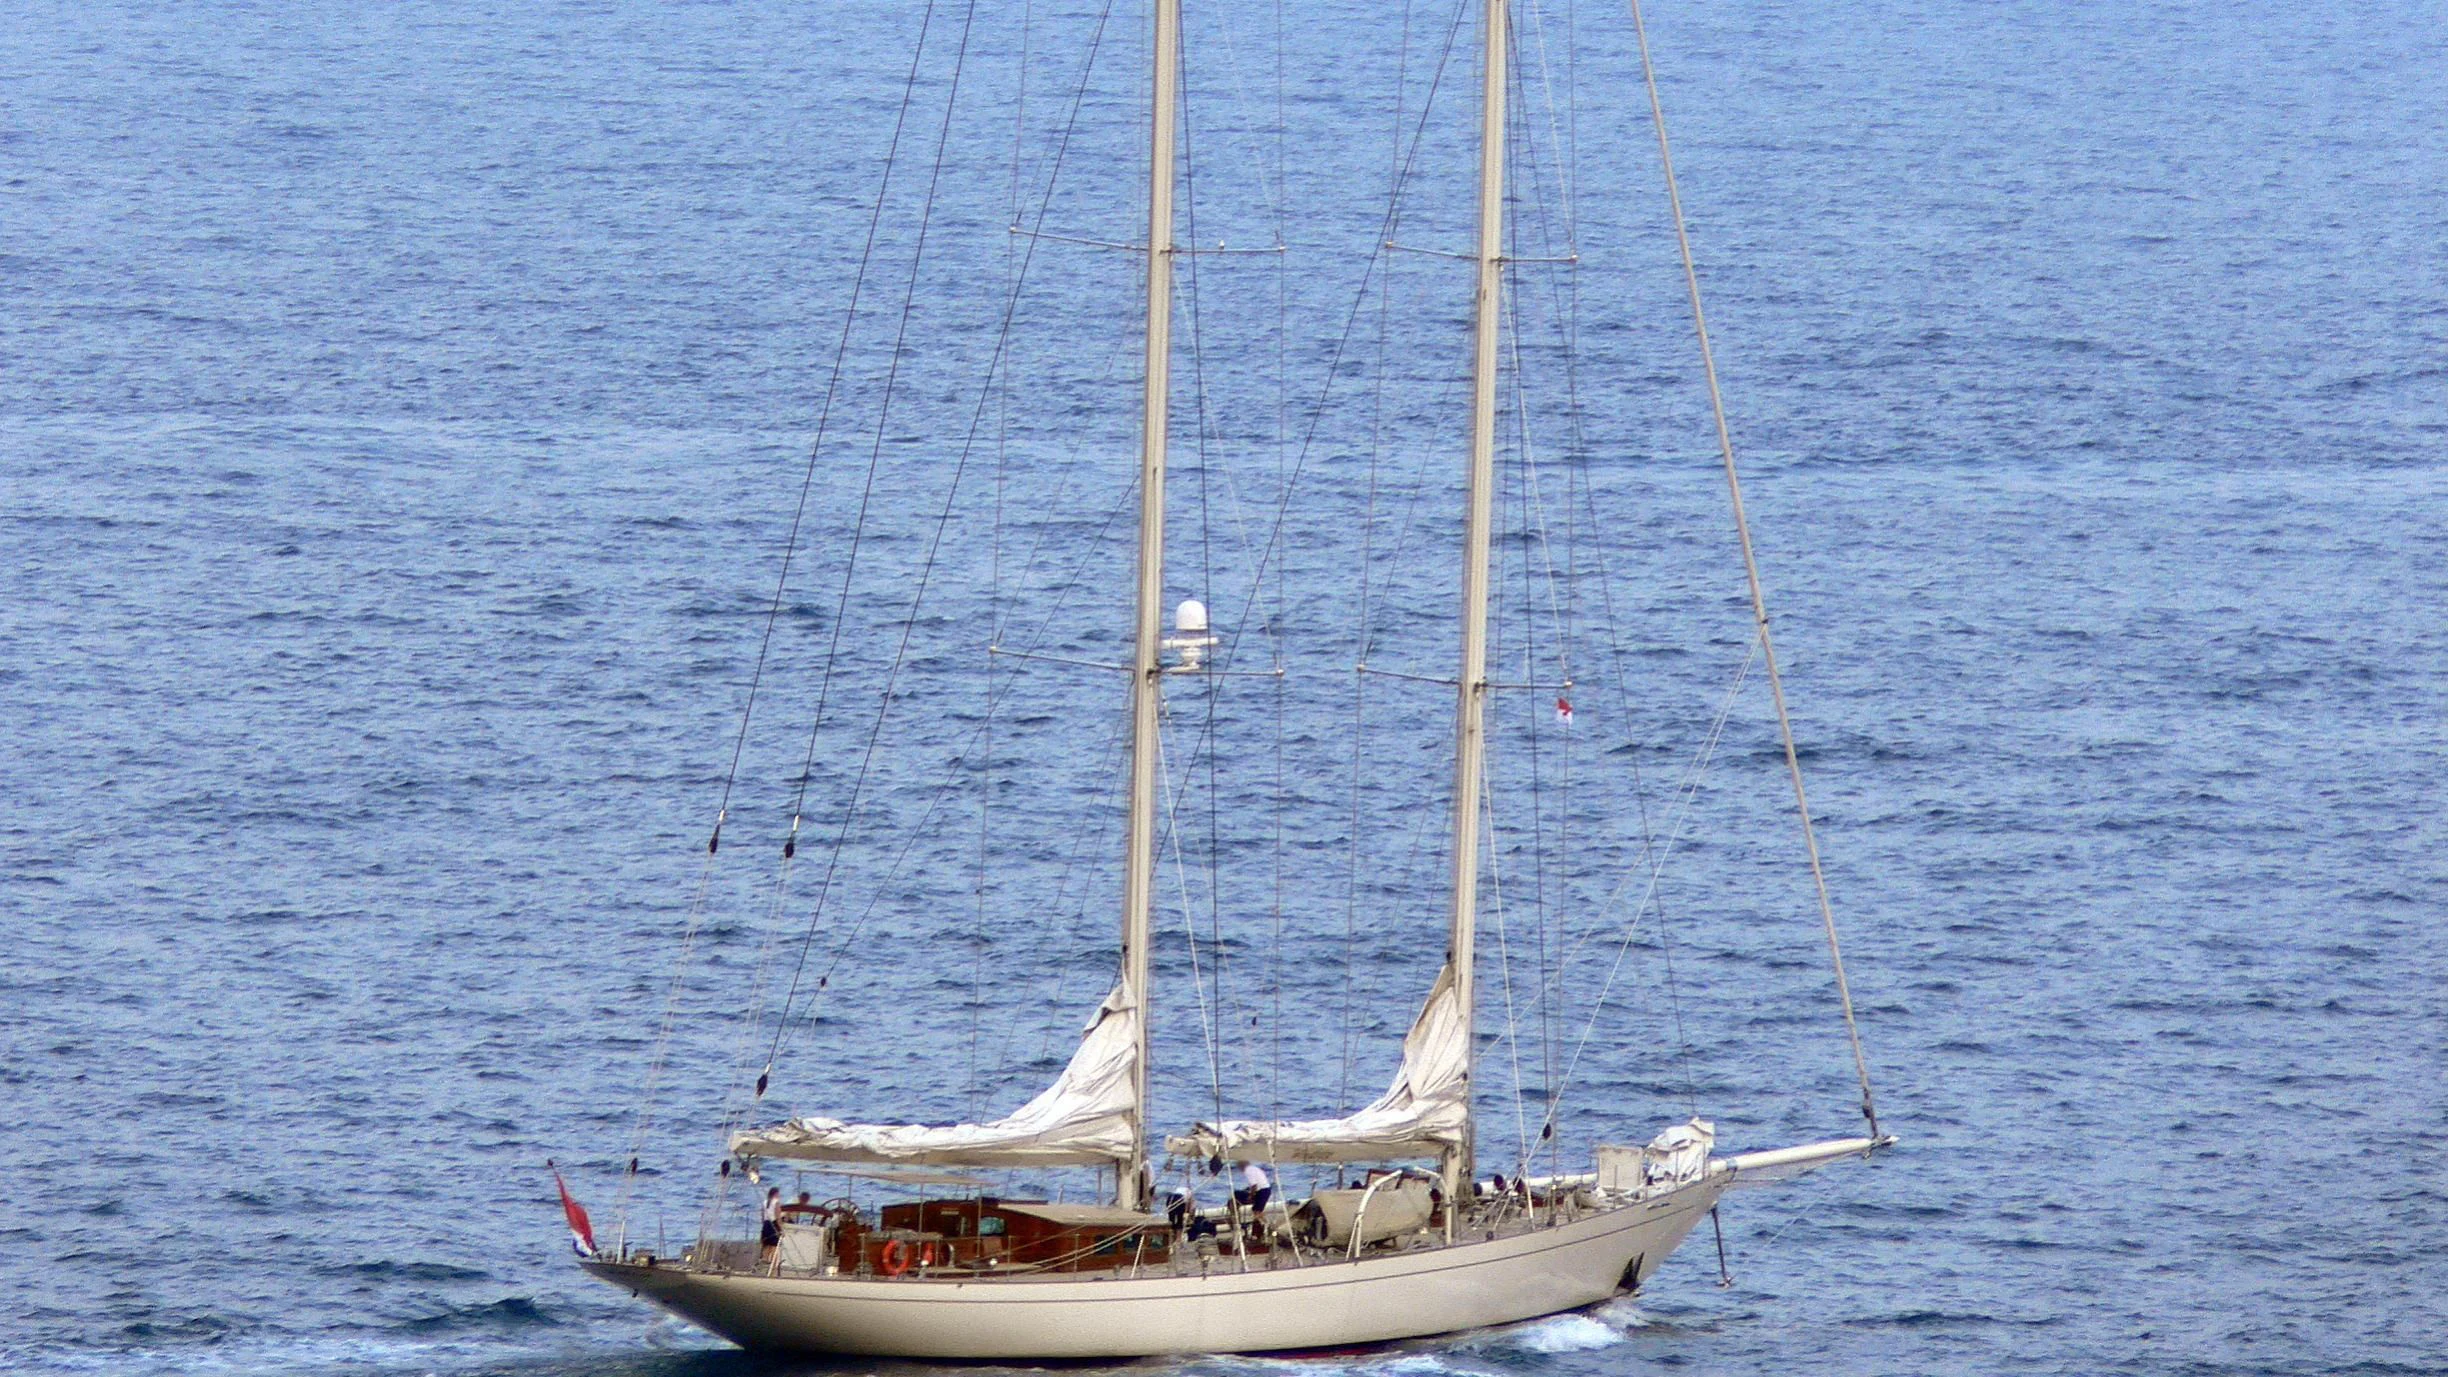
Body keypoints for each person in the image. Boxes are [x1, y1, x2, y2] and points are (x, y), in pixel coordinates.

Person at [759, 1187, 782, 1261]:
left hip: (766, 1224)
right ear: (776, 1194)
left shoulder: (765, 1202)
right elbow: (778, 1217)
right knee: (774, 1245)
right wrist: (781, 1229)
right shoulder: (776, 1202)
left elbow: (762, 1216)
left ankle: (764, 1260)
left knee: (766, 1244)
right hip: (773, 1224)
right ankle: (772, 1262)